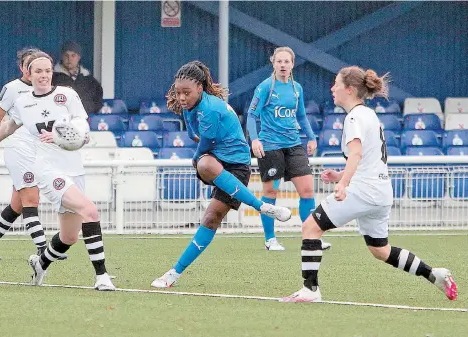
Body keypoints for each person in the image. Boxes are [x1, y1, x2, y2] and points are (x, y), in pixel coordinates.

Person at [281, 66, 457, 302]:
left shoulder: (354, 117)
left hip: (363, 191)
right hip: (381, 191)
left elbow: (356, 154)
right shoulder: (369, 115)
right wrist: (341, 175)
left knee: (310, 228)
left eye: (336, 83)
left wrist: (343, 183)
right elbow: (367, 159)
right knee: (380, 250)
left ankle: (310, 290)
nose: (332, 88)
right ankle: (433, 274)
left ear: (350, 89)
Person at [151, 61, 292, 288]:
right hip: (219, 160)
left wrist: (197, 158)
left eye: (186, 92)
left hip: (236, 166)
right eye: (178, 93)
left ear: (200, 87)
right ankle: (173, 275)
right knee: (206, 166)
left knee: (209, 213)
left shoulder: (210, 108)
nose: (182, 98)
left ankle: (173, 273)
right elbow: (195, 134)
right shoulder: (190, 108)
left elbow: (205, 143)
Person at [0, 51, 115, 291]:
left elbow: (81, 122)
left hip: (73, 168)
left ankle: (41, 263)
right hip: (47, 169)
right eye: (38, 71)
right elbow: (11, 125)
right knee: (90, 211)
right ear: (28, 74)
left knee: (69, 237)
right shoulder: (23, 102)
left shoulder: (67, 95)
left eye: (47, 71)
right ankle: (102, 276)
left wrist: (79, 135)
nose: (43, 75)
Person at [247, 47, 331, 251]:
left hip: (294, 145)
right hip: (271, 147)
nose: (283, 65)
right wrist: (255, 139)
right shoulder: (265, 87)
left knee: (308, 190)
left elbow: (301, 116)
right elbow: (251, 115)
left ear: (292, 64)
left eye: (286, 62)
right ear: (273, 63)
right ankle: (270, 239)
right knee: (270, 191)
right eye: (279, 62)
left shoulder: (297, 89)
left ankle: (311, 237)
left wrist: (311, 137)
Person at [0, 47, 50, 260]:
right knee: (31, 198)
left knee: (18, 204)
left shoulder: (45, 90)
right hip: (18, 148)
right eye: (30, 66)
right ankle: (42, 248)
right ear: (23, 68)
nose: (34, 70)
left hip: (36, 149)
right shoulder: (12, 89)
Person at [52, 41, 103, 113]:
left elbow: (98, 98)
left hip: (86, 119)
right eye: (66, 55)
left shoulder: (88, 78)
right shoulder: (52, 77)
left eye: (73, 55)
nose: (69, 59)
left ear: (78, 57)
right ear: (62, 56)